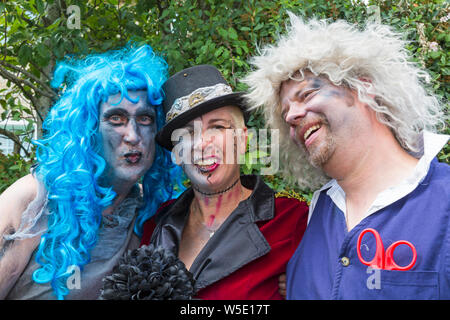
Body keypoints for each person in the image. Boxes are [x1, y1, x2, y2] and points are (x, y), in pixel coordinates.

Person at [244, 14, 449, 299]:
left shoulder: (443, 201)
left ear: (364, 88)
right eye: (285, 113)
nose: (291, 116)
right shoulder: (314, 217)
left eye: (307, 94)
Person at [0, 44, 178, 300]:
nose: (133, 136)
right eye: (116, 119)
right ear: (87, 130)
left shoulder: (150, 211)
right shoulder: (35, 199)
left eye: (145, 119)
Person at [140, 65, 309, 299]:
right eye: (187, 133)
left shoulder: (292, 220)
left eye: (218, 127)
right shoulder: (153, 226)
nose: (202, 144)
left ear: (243, 139)